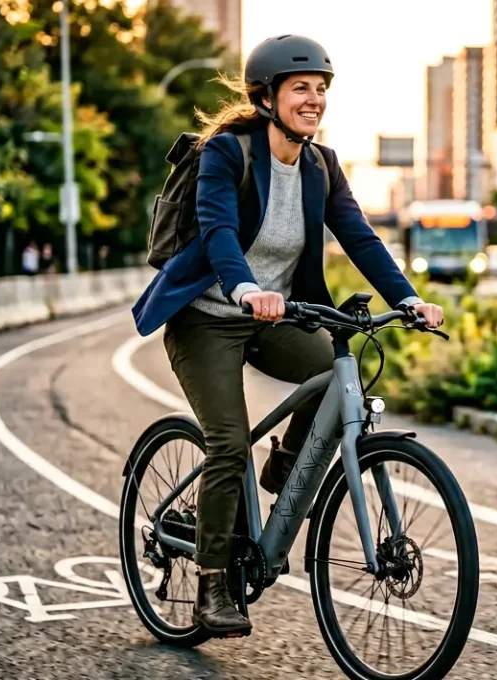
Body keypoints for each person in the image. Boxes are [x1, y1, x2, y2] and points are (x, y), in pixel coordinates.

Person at [130, 34, 444, 637]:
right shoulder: (228, 153)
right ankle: (213, 588)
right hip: (207, 318)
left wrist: (407, 298)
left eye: (322, 89)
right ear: (267, 96)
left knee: (335, 369)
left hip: (277, 315)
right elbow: (219, 229)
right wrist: (246, 288)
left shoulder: (321, 166)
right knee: (226, 444)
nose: (315, 99)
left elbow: (360, 237)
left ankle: (285, 467)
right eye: (302, 88)